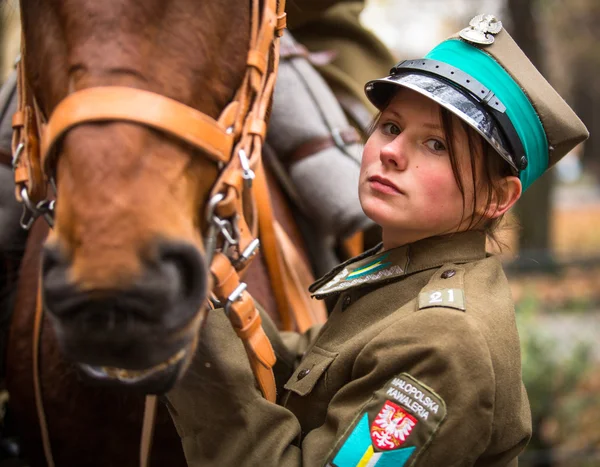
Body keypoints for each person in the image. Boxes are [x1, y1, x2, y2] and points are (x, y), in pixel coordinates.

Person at [165, 14, 589, 466]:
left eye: (436, 145)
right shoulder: (401, 277)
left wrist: (198, 355)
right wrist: (218, 299)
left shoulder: (443, 343)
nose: (391, 151)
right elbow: (313, 364)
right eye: (390, 127)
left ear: (497, 197)